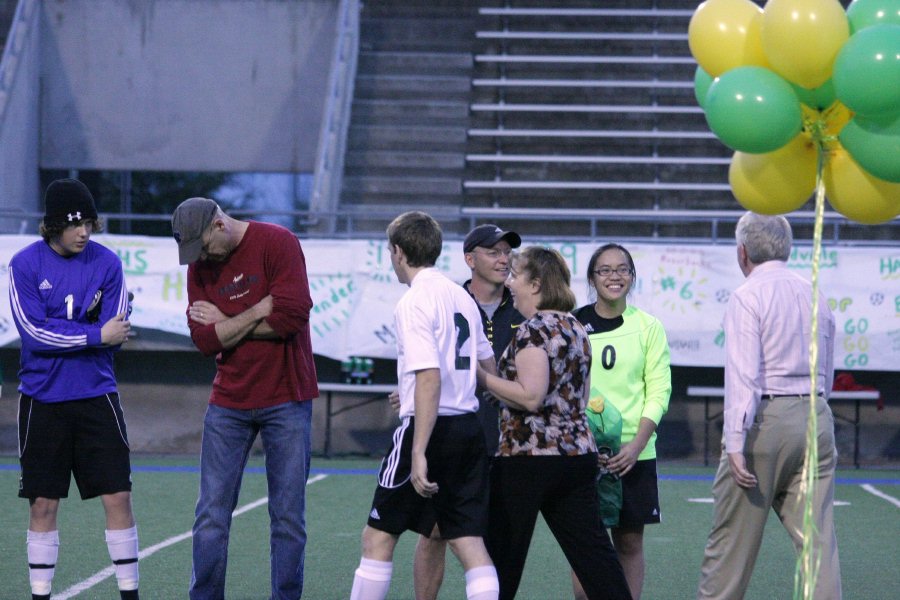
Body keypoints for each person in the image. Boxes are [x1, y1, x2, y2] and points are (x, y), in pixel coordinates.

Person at [171, 197, 318, 600]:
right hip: (228, 400)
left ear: (219, 224)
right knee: (210, 517)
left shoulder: (278, 243)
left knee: (287, 517)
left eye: (202, 246)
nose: (200, 259)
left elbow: (291, 316)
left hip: (287, 396)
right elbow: (204, 339)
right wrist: (257, 311)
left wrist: (229, 321)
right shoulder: (199, 265)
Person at [349, 211, 500, 600]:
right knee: (469, 543)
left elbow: (430, 376)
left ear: (398, 252)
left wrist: (418, 450)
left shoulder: (415, 301)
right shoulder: (462, 297)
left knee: (377, 538)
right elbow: (488, 365)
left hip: (430, 428)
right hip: (468, 427)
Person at [696, 212, 841, 599]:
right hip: (816, 416)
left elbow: (744, 376)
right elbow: (827, 369)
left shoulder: (748, 295)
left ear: (742, 252)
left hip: (767, 422)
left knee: (730, 545)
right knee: (818, 545)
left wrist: (735, 442)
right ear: (787, 248)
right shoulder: (815, 292)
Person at [9, 178, 139, 600]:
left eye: (88, 222)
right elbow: (32, 333)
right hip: (42, 398)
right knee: (43, 504)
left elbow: (116, 329)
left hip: (96, 394)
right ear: (52, 227)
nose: (84, 231)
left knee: (118, 495)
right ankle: (40, 595)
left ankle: (130, 594)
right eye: (74, 223)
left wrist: (94, 333)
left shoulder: (108, 264)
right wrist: (90, 335)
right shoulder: (24, 264)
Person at [477, 246, 632, 600]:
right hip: (577, 456)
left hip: (527, 460)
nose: (510, 283)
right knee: (595, 559)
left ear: (535, 284)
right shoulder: (577, 327)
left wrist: (480, 378)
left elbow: (531, 396)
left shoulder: (533, 330)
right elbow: (578, 396)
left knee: (501, 559)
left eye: (516, 277)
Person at [412, 223, 523, 600]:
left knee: (503, 535)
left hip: (514, 440)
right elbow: (425, 362)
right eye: (494, 252)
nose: (504, 259)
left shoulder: (524, 304)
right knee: (435, 531)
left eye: (507, 252)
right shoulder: (450, 300)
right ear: (469, 259)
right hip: (457, 435)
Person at [572, 243, 672, 599]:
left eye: (622, 269)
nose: (614, 276)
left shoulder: (649, 327)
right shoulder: (574, 324)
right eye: (605, 269)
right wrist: (582, 441)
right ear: (591, 278)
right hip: (583, 454)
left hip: (634, 455)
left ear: (632, 276)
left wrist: (635, 446)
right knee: (585, 547)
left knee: (629, 543)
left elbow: (658, 392)